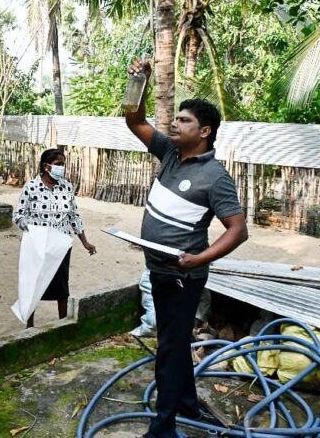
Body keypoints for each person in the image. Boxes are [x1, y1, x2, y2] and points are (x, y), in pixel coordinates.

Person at [124, 59, 248, 438]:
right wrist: (137, 81)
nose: (173, 124)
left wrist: (199, 258)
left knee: (169, 349)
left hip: (183, 276)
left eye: (184, 120)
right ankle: (188, 405)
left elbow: (237, 231)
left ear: (205, 131)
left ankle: (162, 428)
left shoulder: (216, 177)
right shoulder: (170, 153)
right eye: (175, 119)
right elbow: (133, 119)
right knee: (175, 344)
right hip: (161, 271)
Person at [13, 148, 97, 327]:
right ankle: (30, 327)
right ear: (46, 166)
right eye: (58, 164)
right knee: (34, 285)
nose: (62, 168)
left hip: (60, 246)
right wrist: (31, 227)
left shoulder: (66, 187)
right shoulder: (31, 187)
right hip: (37, 246)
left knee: (61, 287)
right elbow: (18, 215)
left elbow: (74, 216)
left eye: (63, 164)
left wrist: (85, 242)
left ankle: (62, 324)